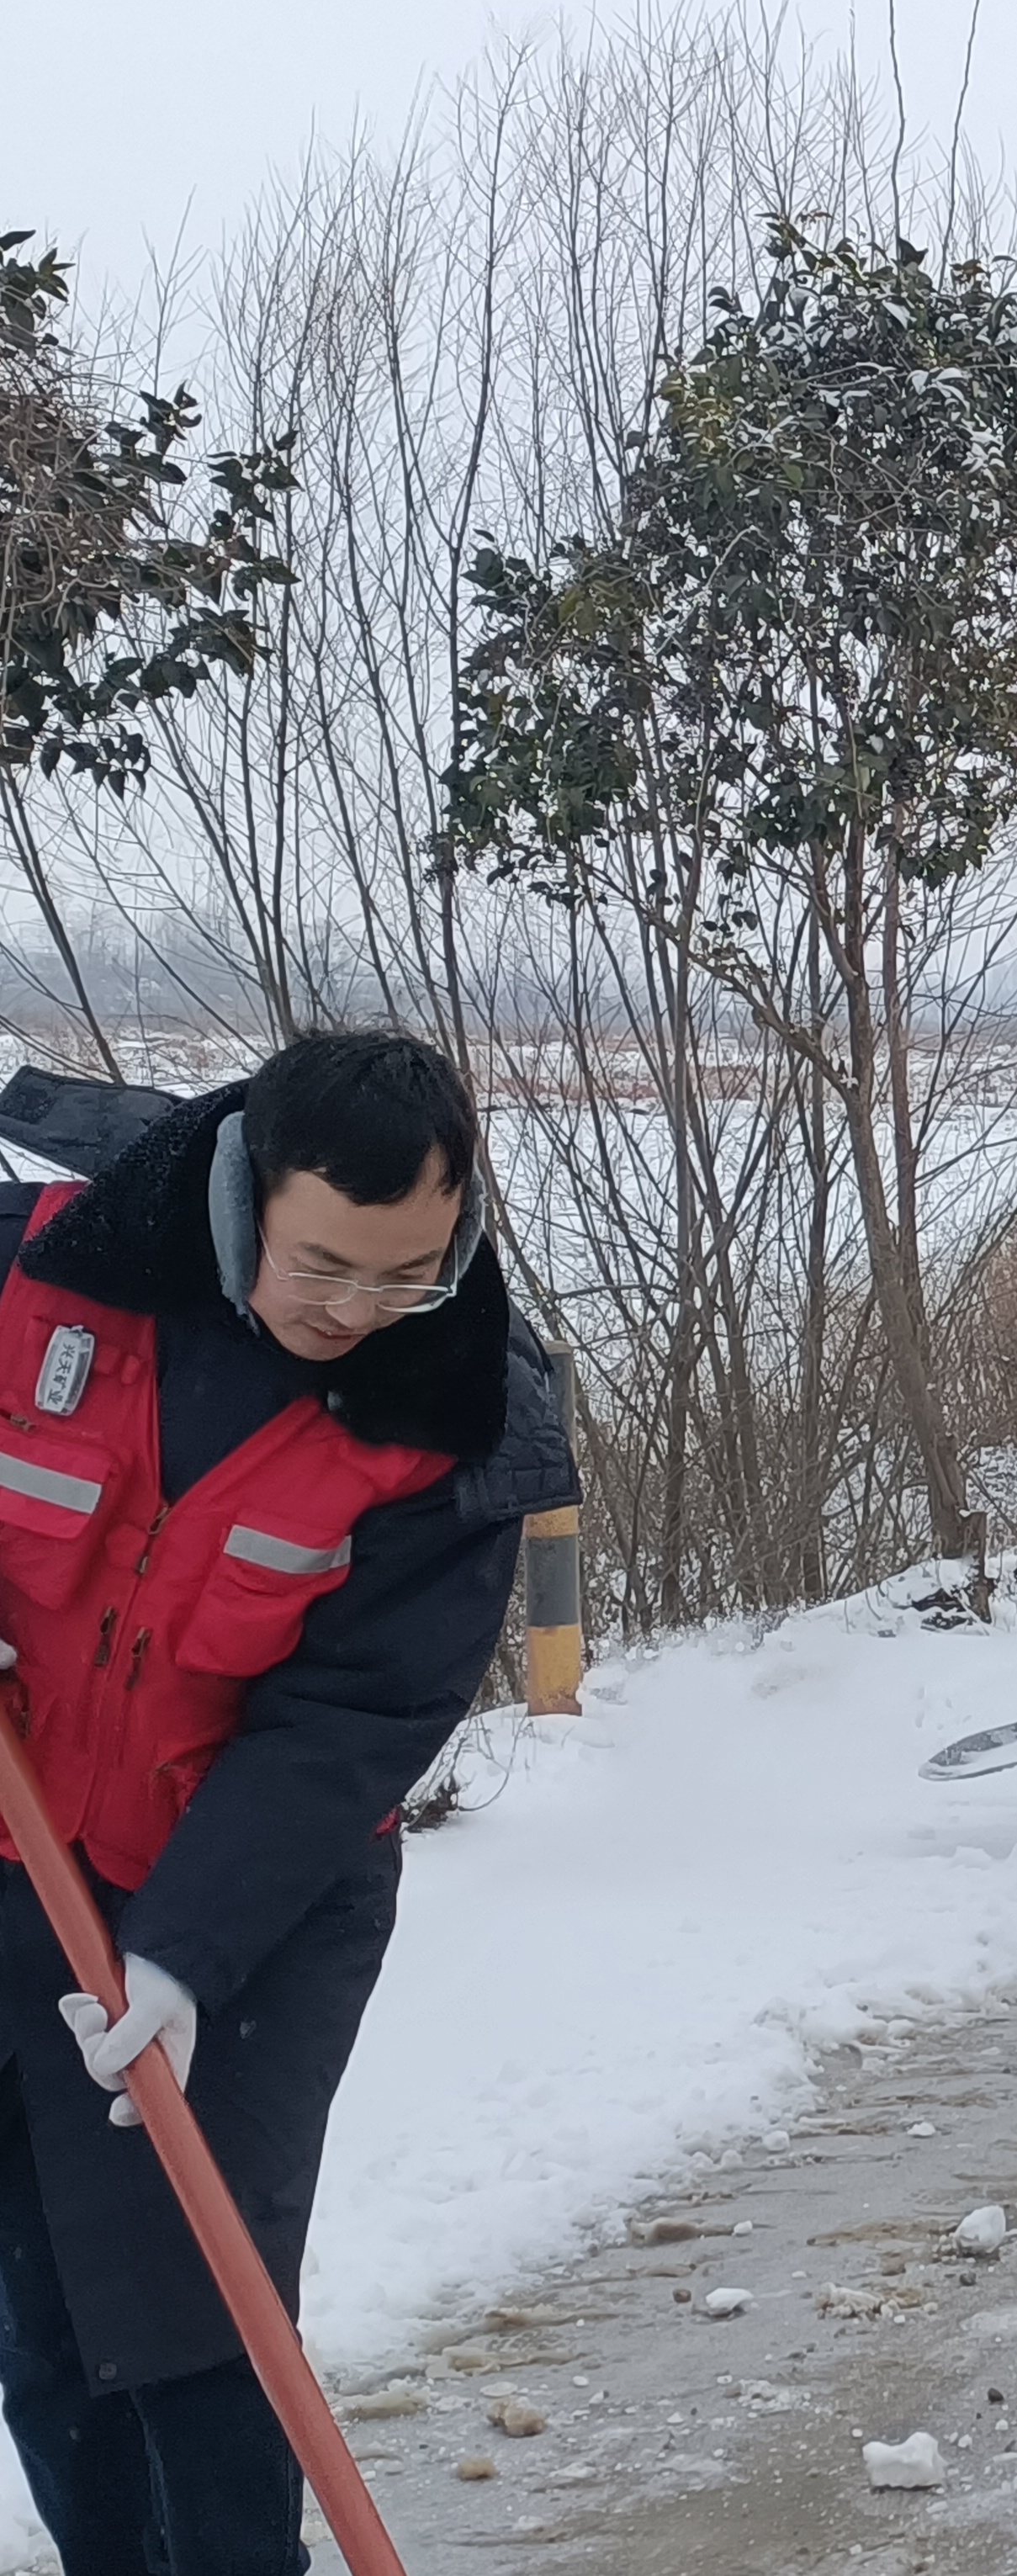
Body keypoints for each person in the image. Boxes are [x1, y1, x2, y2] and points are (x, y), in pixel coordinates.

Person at [0, 1035, 575, 2568]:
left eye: (405, 1274)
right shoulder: (46, 1272)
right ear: (246, 1189)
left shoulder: (459, 1407)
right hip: (18, 1845)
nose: (356, 1310)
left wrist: (185, 1952)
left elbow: (354, 1719)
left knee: (196, 2314)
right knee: (43, 2317)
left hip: (254, 1888)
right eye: (321, 1264)